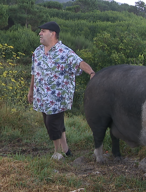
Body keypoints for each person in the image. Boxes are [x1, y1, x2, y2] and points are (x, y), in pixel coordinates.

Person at [27, 21, 95, 157]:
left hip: (58, 97)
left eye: (43, 31)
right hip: (42, 95)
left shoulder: (65, 52)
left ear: (53, 34)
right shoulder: (38, 51)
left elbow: (80, 62)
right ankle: (66, 151)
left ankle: (57, 153)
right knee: (53, 122)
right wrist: (31, 91)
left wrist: (92, 73)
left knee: (51, 123)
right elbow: (34, 72)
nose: (40, 33)